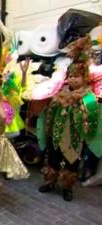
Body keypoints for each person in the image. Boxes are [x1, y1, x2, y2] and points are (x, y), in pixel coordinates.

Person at [38, 36, 101, 201]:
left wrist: (77, 110)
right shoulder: (61, 94)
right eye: (70, 76)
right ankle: (50, 181)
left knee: (71, 163)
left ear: (85, 78)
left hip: (74, 139)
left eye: (77, 76)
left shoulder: (88, 98)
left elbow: (91, 120)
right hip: (56, 136)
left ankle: (67, 187)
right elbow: (50, 114)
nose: (73, 79)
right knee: (52, 160)